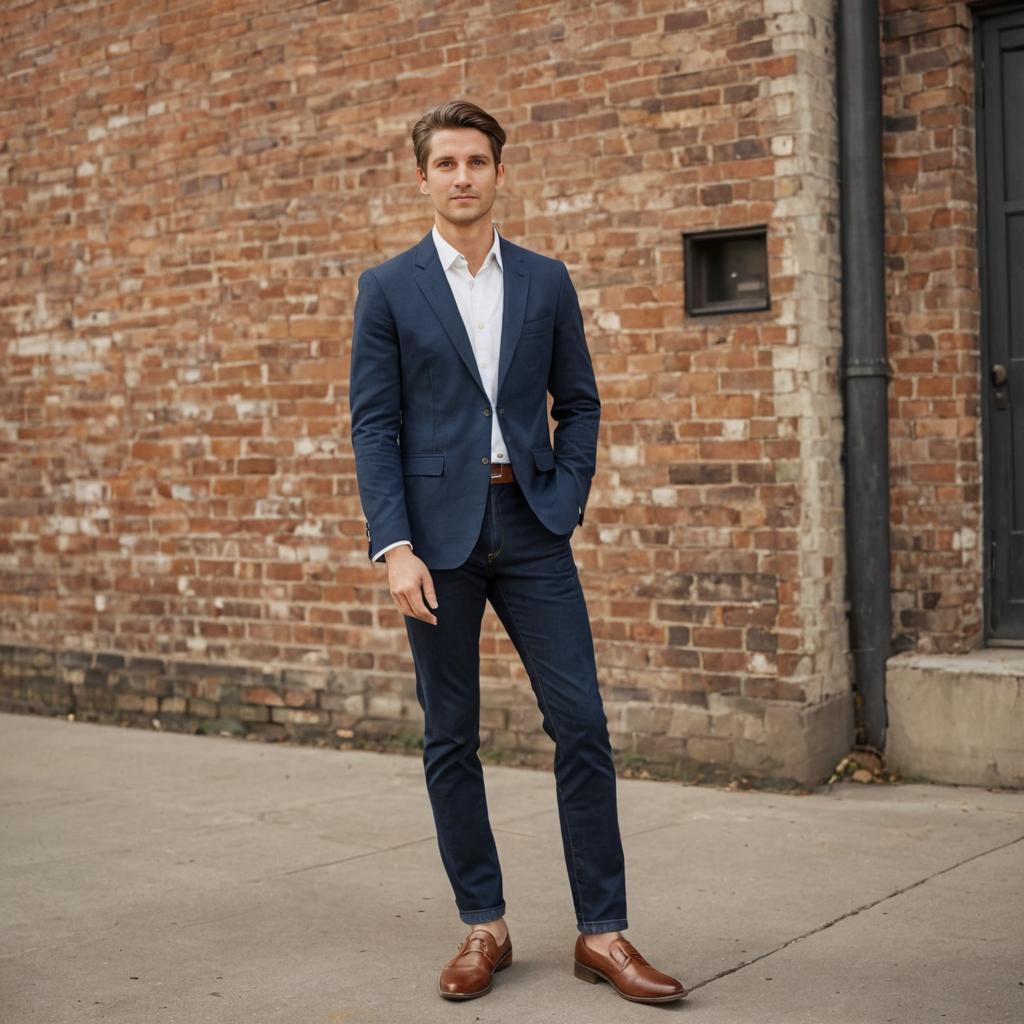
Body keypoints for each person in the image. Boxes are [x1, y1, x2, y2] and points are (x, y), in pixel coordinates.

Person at [348, 98, 687, 1005]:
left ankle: (603, 933)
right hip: (436, 545)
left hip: (532, 529)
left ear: (499, 173)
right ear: (422, 177)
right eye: (447, 163)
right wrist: (394, 548)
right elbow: (374, 426)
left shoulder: (545, 280)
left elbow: (580, 403)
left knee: (582, 725)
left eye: (478, 163)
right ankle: (483, 925)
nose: (463, 177)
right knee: (449, 736)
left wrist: (565, 499)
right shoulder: (388, 287)